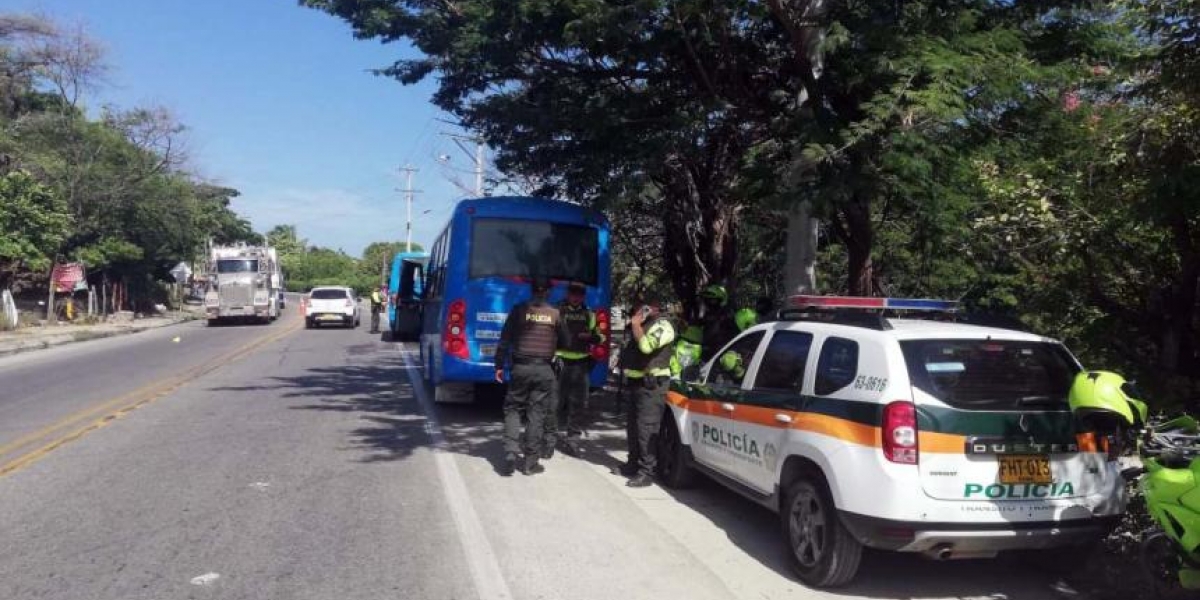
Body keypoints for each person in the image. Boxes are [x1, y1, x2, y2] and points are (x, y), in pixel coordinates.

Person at [494, 277, 571, 476]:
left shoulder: (519, 310)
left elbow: (504, 340)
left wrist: (499, 366)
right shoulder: (555, 314)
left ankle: (511, 450)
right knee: (536, 414)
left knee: (513, 408)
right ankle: (530, 463)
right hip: (544, 370)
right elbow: (566, 342)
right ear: (548, 292)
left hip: (520, 367)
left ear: (532, 291)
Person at [613, 300, 677, 488]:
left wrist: (635, 324)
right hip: (636, 383)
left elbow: (647, 347)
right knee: (633, 427)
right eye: (639, 307)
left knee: (646, 429)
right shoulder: (641, 324)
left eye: (645, 307)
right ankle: (633, 464)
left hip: (652, 385)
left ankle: (647, 471)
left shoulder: (664, 326)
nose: (640, 311)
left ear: (656, 308)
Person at [550, 281, 605, 458]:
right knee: (554, 403)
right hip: (560, 363)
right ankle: (548, 441)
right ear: (567, 294)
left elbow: (601, 337)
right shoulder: (557, 310)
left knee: (578, 404)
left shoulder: (589, 313)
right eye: (573, 294)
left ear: (583, 296)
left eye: (579, 294)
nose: (576, 297)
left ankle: (573, 441)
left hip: (581, 364)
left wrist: (592, 337)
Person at [699, 284, 739, 363]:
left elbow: (732, 335)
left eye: (712, 300)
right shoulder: (708, 314)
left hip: (723, 354)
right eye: (707, 300)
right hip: (708, 353)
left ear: (721, 300)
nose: (709, 302)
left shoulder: (727, 314)